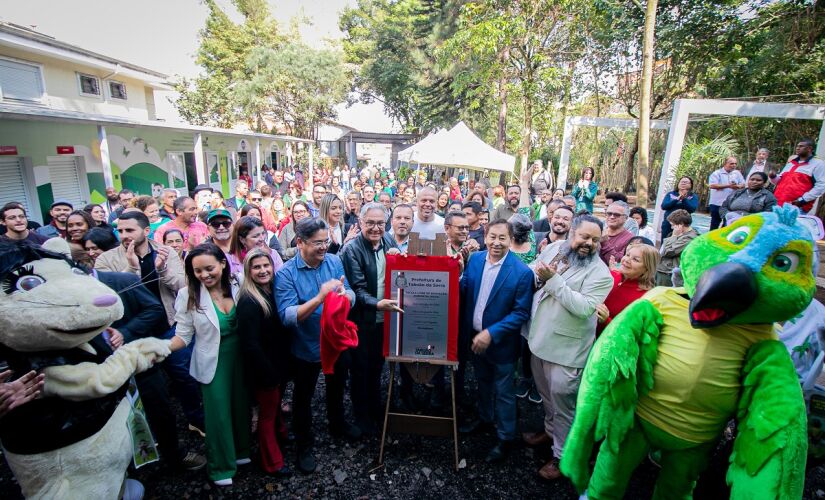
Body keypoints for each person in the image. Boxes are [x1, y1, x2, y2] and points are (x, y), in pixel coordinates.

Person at [524, 214, 613, 480]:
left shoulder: (601, 274)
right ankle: (550, 433)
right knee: (547, 397)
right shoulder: (553, 248)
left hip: (567, 352)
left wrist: (552, 279)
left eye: (595, 240)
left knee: (565, 407)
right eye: (584, 236)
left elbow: (583, 307)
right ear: (572, 233)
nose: (589, 243)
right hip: (538, 340)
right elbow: (533, 271)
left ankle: (564, 457)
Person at [275, 218, 361, 474]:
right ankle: (304, 444)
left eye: (326, 241)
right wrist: (320, 297)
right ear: (300, 242)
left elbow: (351, 293)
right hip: (306, 346)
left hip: (335, 342)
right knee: (303, 398)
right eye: (318, 243)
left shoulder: (334, 261)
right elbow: (287, 316)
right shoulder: (286, 274)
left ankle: (337, 423)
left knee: (336, 387)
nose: (324, 247)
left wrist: (348, 296)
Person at [169, 243, 250, 486]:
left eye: (209, 268)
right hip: (213, 361)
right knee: (218, 415)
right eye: (197, 271)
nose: (204, 275)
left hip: (242, 356)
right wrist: (157, 348)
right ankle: (221, 467)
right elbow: (182, 336)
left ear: (223, 264)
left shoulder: (239, 283)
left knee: (240, 406)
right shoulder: (188, 295)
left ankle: (242, 452)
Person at [458, 219, 534, 463]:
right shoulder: (476, 259)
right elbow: (466, 288)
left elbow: (521, 313)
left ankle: (505, 437)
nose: (496, 243)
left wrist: (492, 333)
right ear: (485, 236)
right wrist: (455, 274)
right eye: (492, 237)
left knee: (503, 391)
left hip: (501, 344)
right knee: (482, 381)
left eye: (502, 238)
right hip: (474, 339)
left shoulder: (522, 273)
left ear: (510, 240)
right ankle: (484, 417)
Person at [340, 203, 402, 435]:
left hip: (383, 318)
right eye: (370, 223)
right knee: (360, 369)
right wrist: (377, 304)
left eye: (380, 223)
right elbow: (356, 288)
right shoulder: (352, 250)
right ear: (360, 223)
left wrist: (399, 258)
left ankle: (376, 409)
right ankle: (361, 415)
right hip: (362, 319)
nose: (376, 228)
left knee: (377, 366)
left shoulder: (388, 241)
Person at [236, 248, 292, 477]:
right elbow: (250, 345)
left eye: (266, 265)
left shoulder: (270, 291)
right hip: (263, 370)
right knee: (267, 416)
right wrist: (268, 373)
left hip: (276, 365)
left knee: (275, 407)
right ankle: (272, 462)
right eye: (257, 267)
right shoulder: (249, 301)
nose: (263, 270)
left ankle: (282, 436)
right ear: (248, 271)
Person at [595, 243, 660, 334]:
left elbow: (632, 332)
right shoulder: (612, 276)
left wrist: (606, 320)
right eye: (627, 255)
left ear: (647, 268)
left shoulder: (644, 297)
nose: (627, 260)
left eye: (635, 260)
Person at [772, 138, 825, 213]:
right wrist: (773, 176)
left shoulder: (818, 163)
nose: (797, 148)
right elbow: (779, 182)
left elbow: (821, 185)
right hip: (777, 204)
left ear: (809, 149)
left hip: (796, 207)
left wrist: (803, 200)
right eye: (797, 146)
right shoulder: (791, 163)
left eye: (801, 146)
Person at [655, 209, 698, 286]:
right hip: (663, 269)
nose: (671, 227)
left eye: (672, 225)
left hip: (669, 273)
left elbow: (667, 251)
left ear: (680, 225)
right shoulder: (680, 234)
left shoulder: (689, 238)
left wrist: (674, 236)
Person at [707, 156, 745, 230]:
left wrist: (737, 186)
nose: (733, 165)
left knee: (727, 224)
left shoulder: (737, 173)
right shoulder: (717, 173)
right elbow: (712, 185)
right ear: (725, 163)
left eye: (735, 164)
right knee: (714, 224)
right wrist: (729, 186)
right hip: (717, 203)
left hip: (731, 204)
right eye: (731, 163)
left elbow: (743, 184)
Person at [599, 201, 634, 266]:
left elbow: (619, 262)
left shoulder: (630, 239)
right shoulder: (598, 232)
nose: (612, 217)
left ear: (626, 218)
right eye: (609, 213)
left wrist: (605, 243)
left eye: (617, 215)